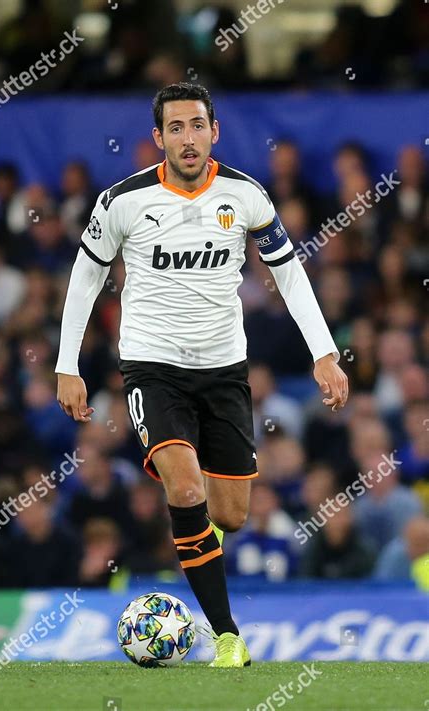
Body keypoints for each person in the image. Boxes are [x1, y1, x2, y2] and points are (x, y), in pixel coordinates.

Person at [55, 83, 348, 667]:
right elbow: (85, 279)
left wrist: (325, 352)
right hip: (151, 366)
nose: (187, 138)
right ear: (158, 138)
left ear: (214, 131)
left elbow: (289, 274)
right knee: (184, 488)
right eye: (176, 128)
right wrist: (68, 366)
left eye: (197, 125)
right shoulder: (122, 202)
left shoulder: (246, 196)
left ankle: (193, 548)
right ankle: (227, 636)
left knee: (230, 513)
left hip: (224, 370)